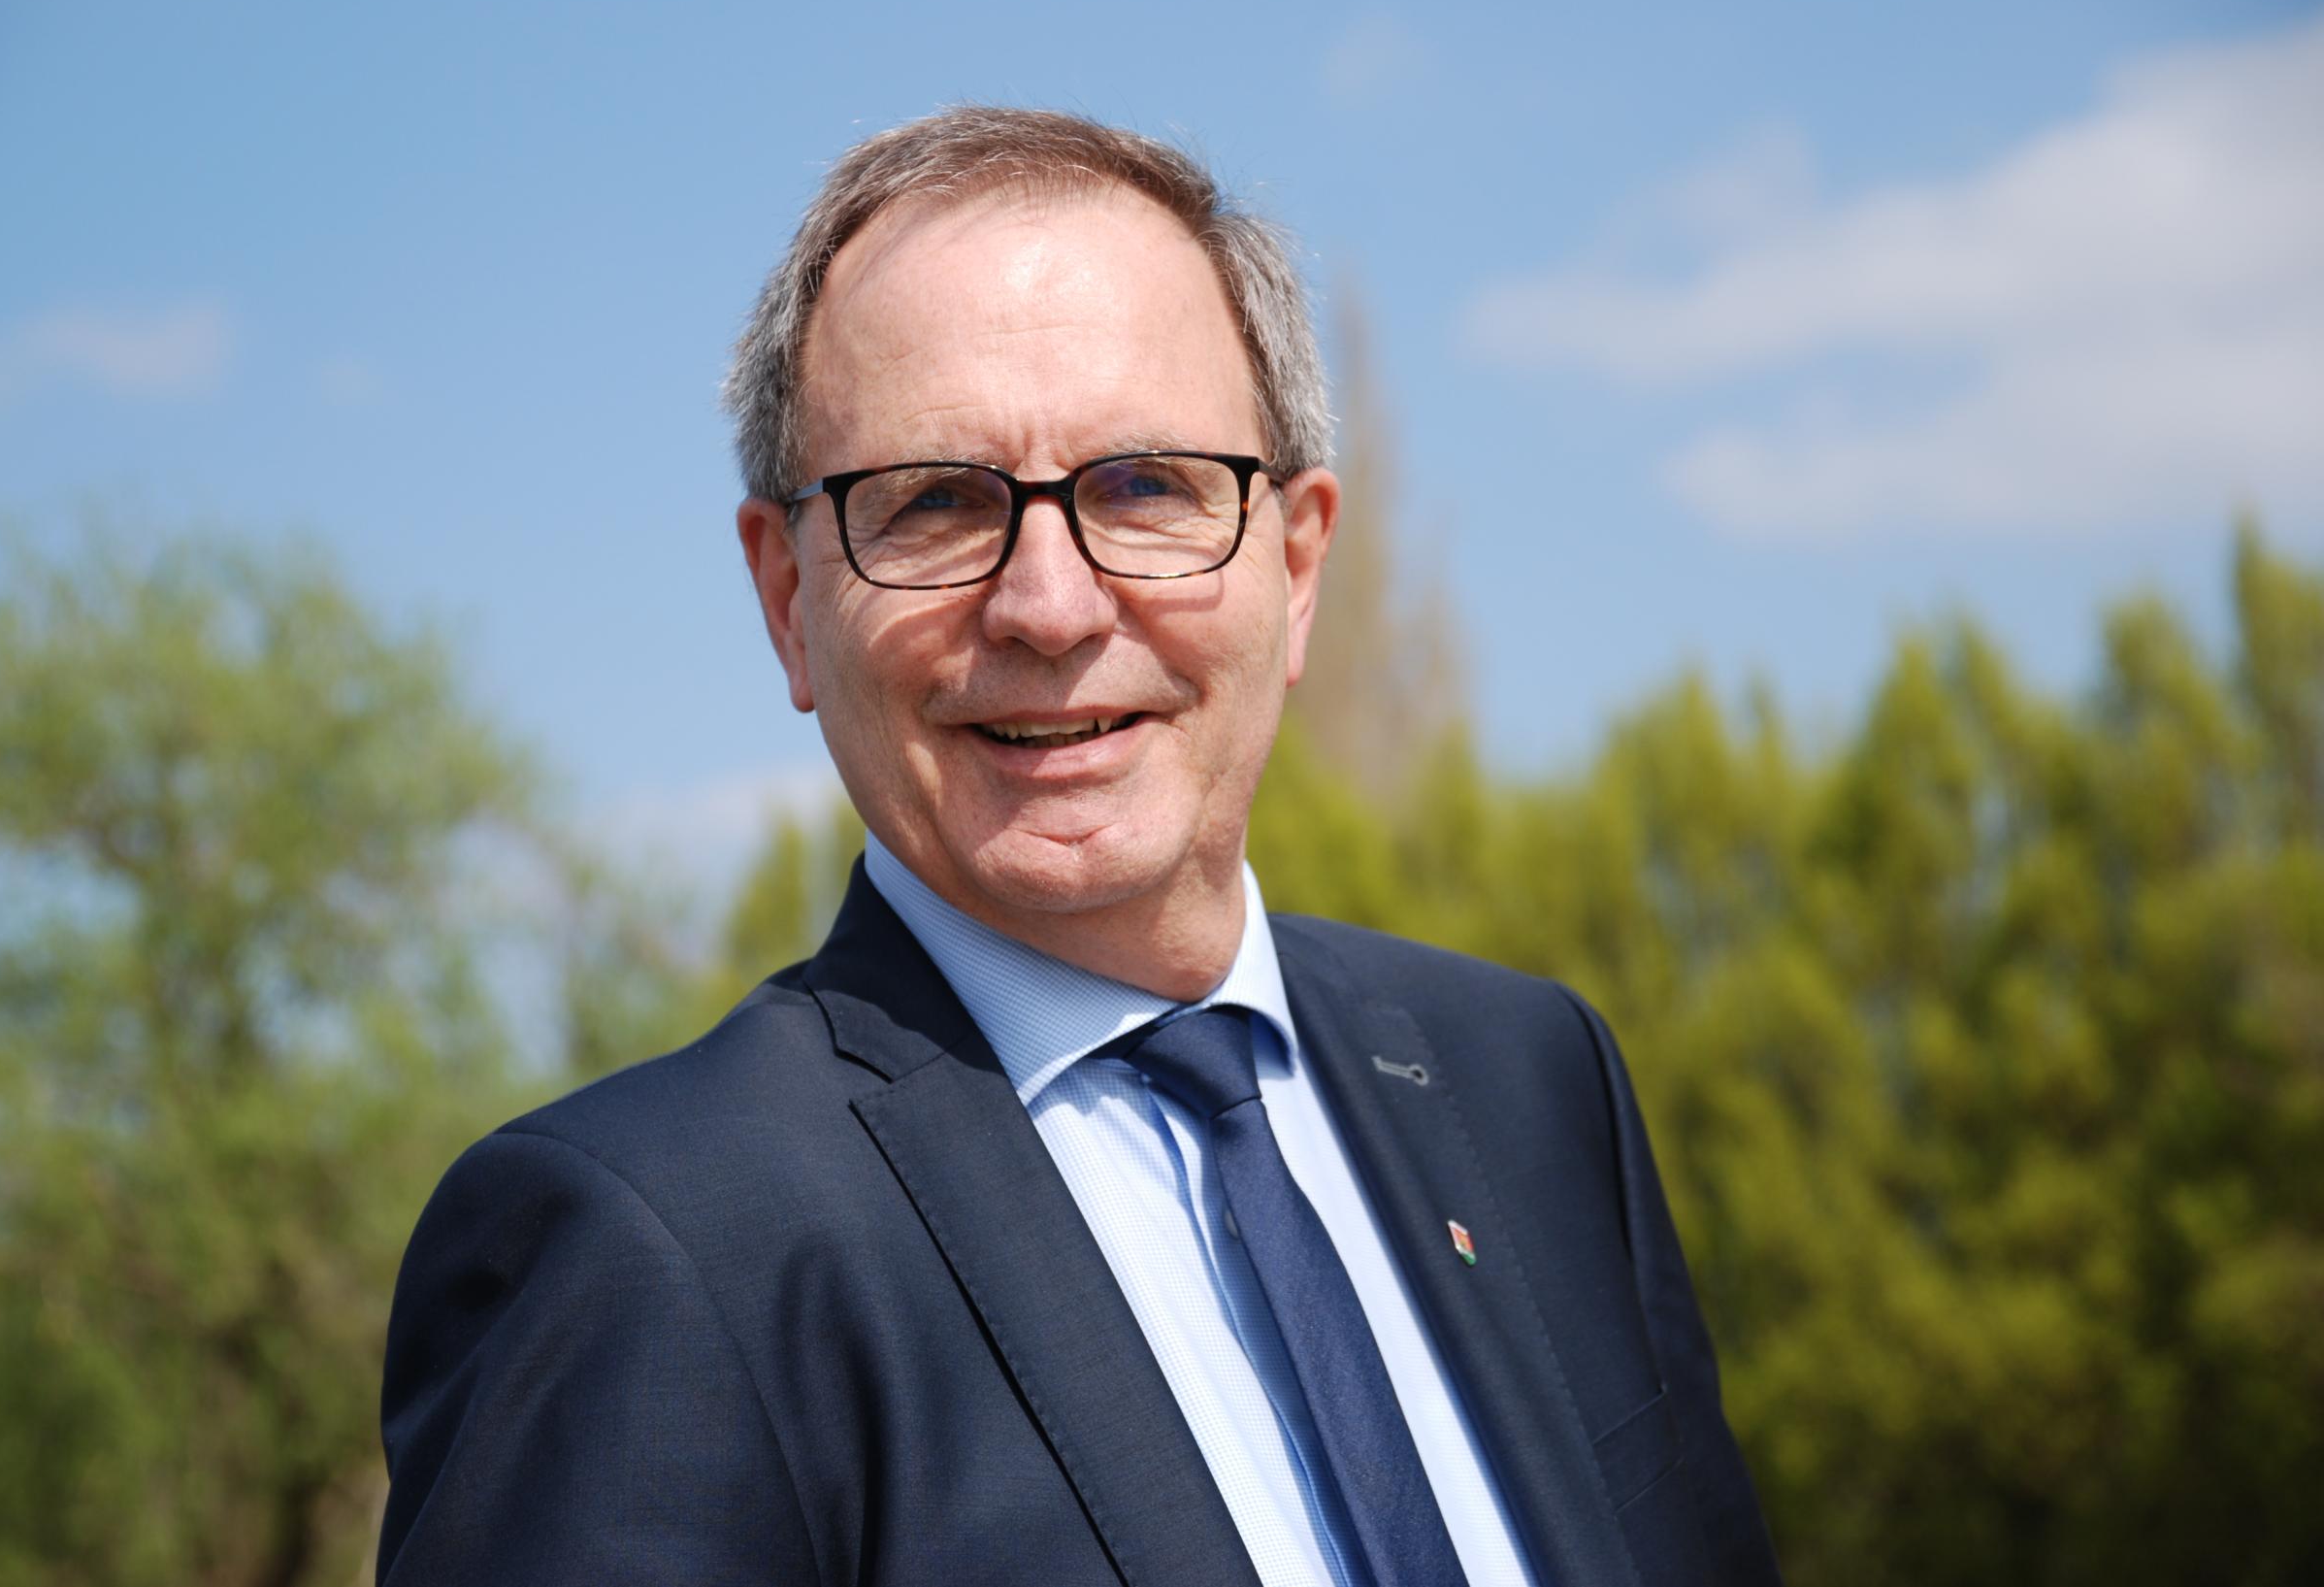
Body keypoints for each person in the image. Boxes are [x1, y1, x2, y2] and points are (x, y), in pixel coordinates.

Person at [376, 108, 1782, 1587]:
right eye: (933, 503)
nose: (1049, 606)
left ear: (1299, 564)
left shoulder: (1533, 1082)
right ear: (788, 599)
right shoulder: (646, 1253)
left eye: (1147, 485)